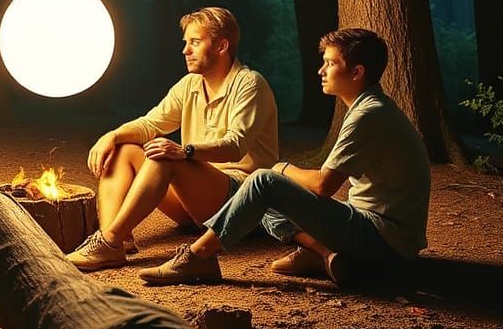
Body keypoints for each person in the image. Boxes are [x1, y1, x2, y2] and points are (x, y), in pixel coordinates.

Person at [137, 27, 431, 287]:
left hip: (384, 241)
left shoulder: (368, 114)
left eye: (330, 63)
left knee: (264, 180)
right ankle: (321, 252)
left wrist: (283, 168)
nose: (321, 71)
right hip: (385, 236)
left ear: (357, 72)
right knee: (267, 196)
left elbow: (324, 185)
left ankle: (198, 256)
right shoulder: (370, 107)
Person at [67, 6, 278, 272]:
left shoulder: (250, 84)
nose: (185, 50)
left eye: (195, 42)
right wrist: (112, 135)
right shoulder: (190, 84)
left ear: (222, 46)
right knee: (124, 149)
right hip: (194, 201)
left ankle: (108, 241)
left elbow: (235, 147)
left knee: (164, 158)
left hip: (238, 203)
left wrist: (184, 151)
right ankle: (113, 243)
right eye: (186, 43)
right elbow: (151, 123)